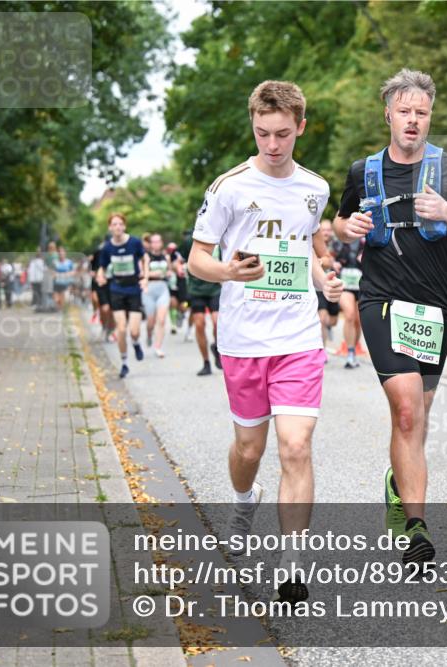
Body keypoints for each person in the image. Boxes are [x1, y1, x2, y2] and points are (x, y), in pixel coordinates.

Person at [187, 80, 342, 604]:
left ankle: (292, 564)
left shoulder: (315, 188)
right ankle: (241, 499)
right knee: (249, 449)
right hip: (243, 339)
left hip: (298, 337)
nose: (272, 145)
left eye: (281, 134)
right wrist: (227, 271)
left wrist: (327, 279)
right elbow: (197, 259)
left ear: (300, 126)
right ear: (253, 127)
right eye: (262, 134)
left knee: (296, 446)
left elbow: (312, 245)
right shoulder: (228, 187)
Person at [334, 69, 447, 566]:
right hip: (380, 300)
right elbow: (338, 224)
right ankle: (417, 530)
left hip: (434, 307)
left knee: (417, 417)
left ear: (430, 117)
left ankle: (396, 483)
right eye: (404, 111)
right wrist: (349, 226)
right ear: (388, 113)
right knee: (405, 409)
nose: (412, 121)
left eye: (421, 113)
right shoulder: (363, 171)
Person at [96, 213, 146, 378]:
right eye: (114, 224)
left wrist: (145, 277)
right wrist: (100, 275)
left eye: (120, 224)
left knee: (133, 331)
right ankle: (124, 363)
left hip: (134, 289)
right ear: (110, 227)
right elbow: (102, 267)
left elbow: (145, 258)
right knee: (121, 329)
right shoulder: (107, 248)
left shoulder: (134, 242)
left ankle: (137, 343)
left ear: (124, 226)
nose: (117, 227)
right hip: (116, 289)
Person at [178, 232, 222, 376]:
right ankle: (206, 363)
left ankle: (216, 346)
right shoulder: (191, 240)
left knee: (217, 322)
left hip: (216, 287)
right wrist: (178, 268)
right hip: (196, 289)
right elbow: (177, 260)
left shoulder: (222, 238)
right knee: (199, 324)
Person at [332, 232, 365, 369]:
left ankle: (354, 350)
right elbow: (328, 256)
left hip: (362, 284)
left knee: (358, 321)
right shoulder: (339, 239)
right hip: (344, 283)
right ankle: (350, 353)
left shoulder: (367, 240)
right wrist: (334, 263)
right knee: (350, 315)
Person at [142, 233, 171, 357]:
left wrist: (167, 273)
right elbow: (144, 274)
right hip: (149, 289)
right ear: (150, 243)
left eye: (158, 241)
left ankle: (158, 347)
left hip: (163, 289)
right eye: (153, 241)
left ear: (161, 242)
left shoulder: (166, 256)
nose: (156, 244)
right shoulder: (146, 256)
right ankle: (149, 334)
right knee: (150, 322)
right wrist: (157, 273)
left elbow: (169, 271)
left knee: (162, 320)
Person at [315, 220, 340, 354]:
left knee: (333, 320)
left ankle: (328, 327)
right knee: (322, 318)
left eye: (328, 230)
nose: (325, 232)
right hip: (318, 286)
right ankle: (322, 351)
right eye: (323, 229)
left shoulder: (337, 244)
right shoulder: (313, 241)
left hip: (333, 285)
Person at [166, 241, 188, 335]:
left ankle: (181, 314)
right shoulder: (167, 258)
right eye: (169, 249)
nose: (171, 251)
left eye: (173, 249)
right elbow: (168, 268)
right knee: (172, 303)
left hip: (183, 284)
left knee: (185, 305)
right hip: (173, 284)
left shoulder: (182, 256)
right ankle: (173, 324)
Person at [52, 246, 75, 310]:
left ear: (65, 253)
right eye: (59, 252)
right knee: (56, 300)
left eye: (62, 252)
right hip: (56, 284)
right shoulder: (55, 262)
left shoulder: (69, 262)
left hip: (65, 284)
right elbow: (52, 272)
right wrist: (55, 274)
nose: (61, 253)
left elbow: (73, 272)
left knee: (62, 302)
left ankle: (61, 314)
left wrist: (67, 274)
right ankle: (60, 309)